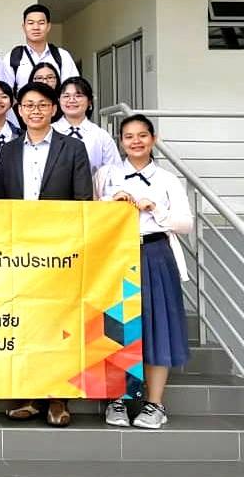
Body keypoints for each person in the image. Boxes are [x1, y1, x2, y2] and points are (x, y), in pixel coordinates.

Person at [0, 81, 93, 427]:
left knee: (58, 323)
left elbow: (83, 202)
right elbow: (2, 201)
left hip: (59, 250)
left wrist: (71, 246)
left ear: (54, 109)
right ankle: (29, 394)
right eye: (28, 105)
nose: (35, 111)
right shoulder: (8, 151)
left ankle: (58, 398)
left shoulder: (73, 148)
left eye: (42, 105)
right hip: (19, 250)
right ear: (19, 111)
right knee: (26, 322)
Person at [95, 114, 192, 429]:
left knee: (156, 324)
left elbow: (185, 224)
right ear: (120, 141)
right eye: (129, 136)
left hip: (154, 253)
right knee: (117, 324)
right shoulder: (106, 175)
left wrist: (155, 208)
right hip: (115, 254)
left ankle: (154, 403)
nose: (135, 142)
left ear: (153, 139)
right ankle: (118, 399)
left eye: (142, 135)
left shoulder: (167, 179)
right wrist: (111, 202)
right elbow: (90, 214)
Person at [52, 76, 121, 176]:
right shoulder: (49, 131)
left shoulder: (101, 135)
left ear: (89, 101)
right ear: (59, 100)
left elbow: (114, 172)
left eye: (78, 96)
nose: (71, 100)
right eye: (66, 96)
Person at [7, 4, 79, 90]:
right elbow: (5, 91)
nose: (36, 27)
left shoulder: (63, 56)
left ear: (48, 26)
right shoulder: (12, 57)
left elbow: (72, 90)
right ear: (24, 27)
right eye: (31, 23)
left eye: (41, 23)